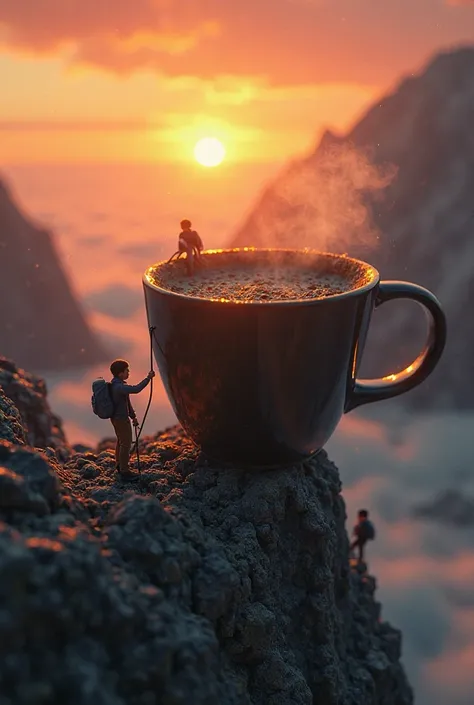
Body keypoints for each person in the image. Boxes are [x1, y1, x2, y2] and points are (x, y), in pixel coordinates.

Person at [109, 359, 155, 481]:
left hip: (117, 418)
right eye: (126, 370)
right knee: (126, 443)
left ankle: (119, 465)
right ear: (120, 373)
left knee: (121, 441)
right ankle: (124, 471)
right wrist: (148, 378)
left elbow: (126, 403)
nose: (128, 372)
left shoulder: (118, 385)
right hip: (121, 419)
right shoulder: (119, 387)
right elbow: (136, 389)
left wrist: (133, 416)